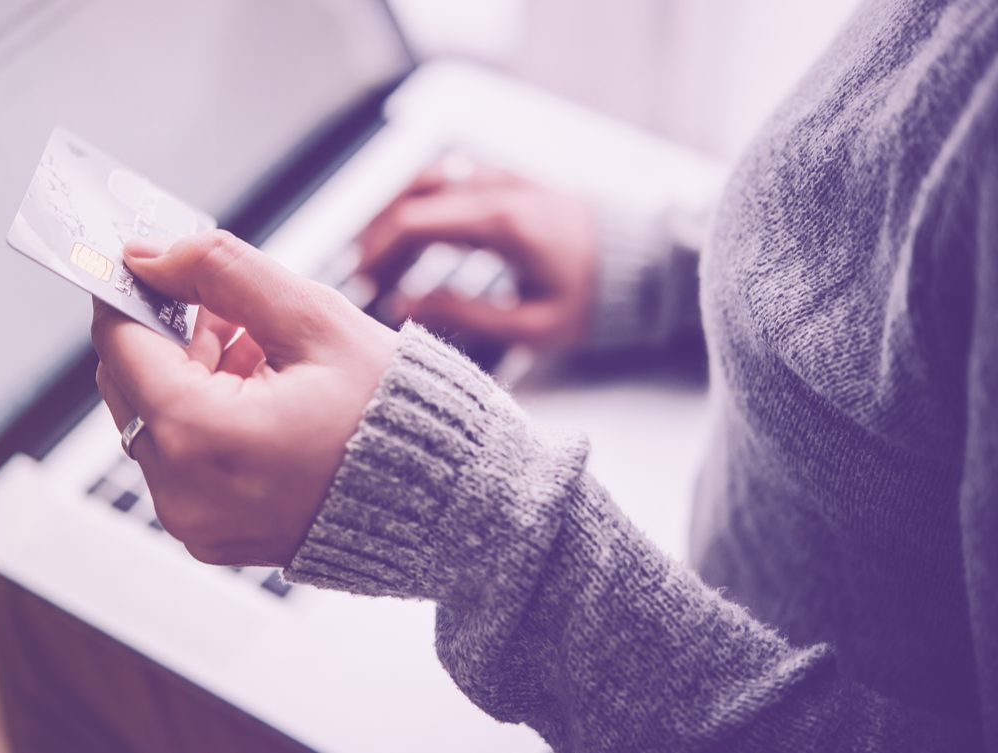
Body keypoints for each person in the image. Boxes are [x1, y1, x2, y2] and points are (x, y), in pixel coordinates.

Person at [82, 0, 997, 750]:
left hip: (662, 678)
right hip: (714, 589)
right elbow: (918, 233)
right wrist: (674, 270)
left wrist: (473, 523)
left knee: (64, 648)